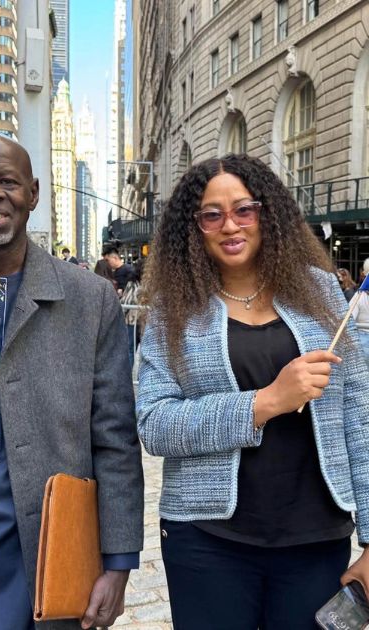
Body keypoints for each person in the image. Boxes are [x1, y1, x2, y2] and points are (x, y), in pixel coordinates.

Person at [137, 155, 369, 628]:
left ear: (268, 214)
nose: (230, 225)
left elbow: (359, 415)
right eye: (212, 215)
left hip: (317, 539)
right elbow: (155, 425)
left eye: (244, 209)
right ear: (193, 227)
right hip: (206, 540)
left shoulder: (321, 291)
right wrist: (265, 402)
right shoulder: (173, 311)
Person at [0, 132, 143, 628]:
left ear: (34, 193)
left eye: (8, 182)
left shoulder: (90, 299)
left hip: (48, 550)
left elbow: (116, 440)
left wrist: (119, 562)